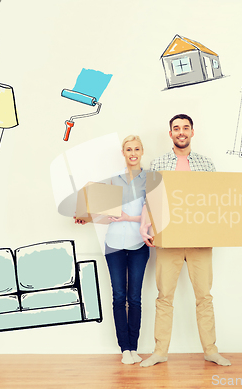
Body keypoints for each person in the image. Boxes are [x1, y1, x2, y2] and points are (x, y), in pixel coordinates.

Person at [139, 114, 231, 367]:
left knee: (204, 296)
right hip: (168, 238)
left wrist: (221, 228)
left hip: (200, 239)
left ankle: (211, 350)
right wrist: (145, 225)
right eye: (176, 128)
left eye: (185, 128)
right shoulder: (158, 162)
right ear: (170, 134)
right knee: (164, 295)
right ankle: (160, 352)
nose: (181, 132)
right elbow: (151, 197)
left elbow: (216, 199)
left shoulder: (206, 164)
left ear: (192, 132)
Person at [74, 135, 149, 365]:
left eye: (136, 148)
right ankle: (124, 348)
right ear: (123, 153)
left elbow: (153, 212)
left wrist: (130, 217)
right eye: (128, 149)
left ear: (142, 152)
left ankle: (134, 347)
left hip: (139, 244)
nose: (133, 153)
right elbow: (101, 207)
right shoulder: (112, 181)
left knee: (134, 298)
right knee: (118, 296)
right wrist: (85, 217)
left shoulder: (151, 179)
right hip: (114, 244)